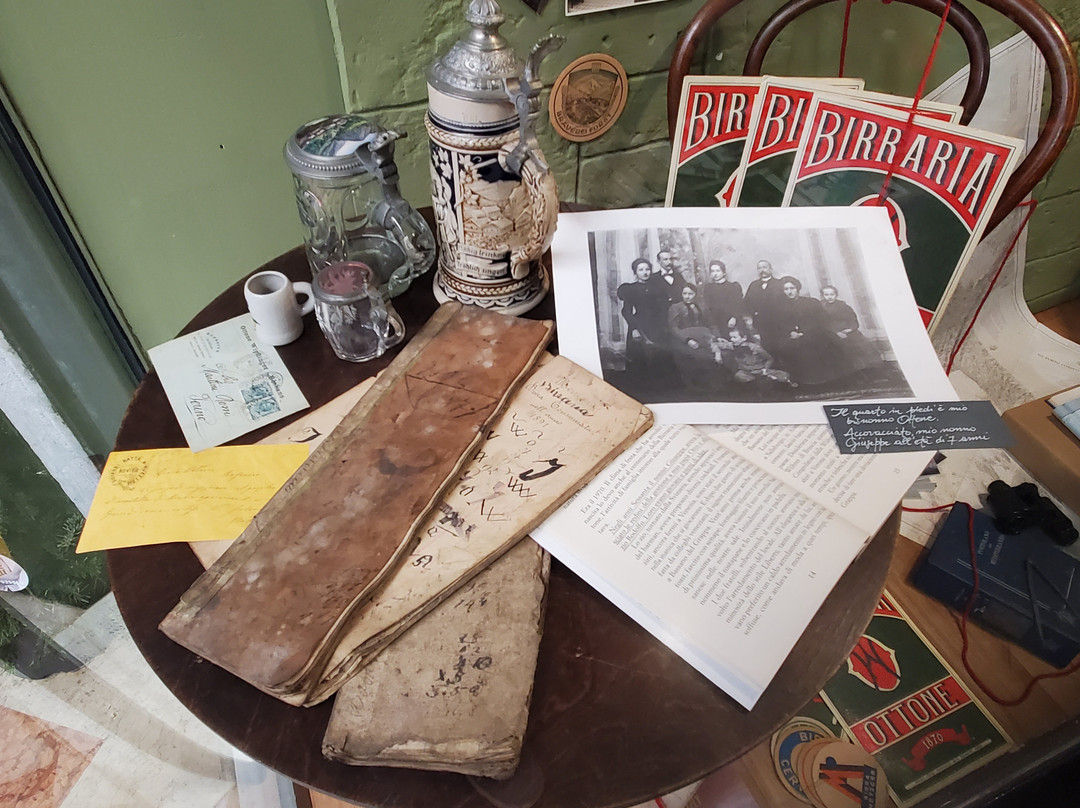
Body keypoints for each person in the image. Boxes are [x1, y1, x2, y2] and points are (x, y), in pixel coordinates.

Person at [771, 276, 844, 385]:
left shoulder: (811, 303)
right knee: (787, 348)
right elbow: (780, 324)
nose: (790, 292)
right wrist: (790, 332)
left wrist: (804, 333)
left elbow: (821, 320)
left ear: (797, 288)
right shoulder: (780, 307)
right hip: (793, 336)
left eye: (792, 288)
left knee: (815, 347)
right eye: (786, 289)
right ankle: (803, 381)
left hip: (814, 333)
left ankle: (824, 380)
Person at [820, 285, 882, 374]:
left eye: (832, 294)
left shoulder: (844, 306)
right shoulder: (821, 308)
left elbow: (853, 320)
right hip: (832, 333)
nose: (829, 297)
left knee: (863, 348)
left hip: (848, 331)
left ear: (836, 295)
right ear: (823, 296)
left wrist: (849, 329)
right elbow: (824, 323)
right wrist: (836, 332)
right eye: (826, 295)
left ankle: (869, 370)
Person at [725, 326, 796, 386]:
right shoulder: (732, 346)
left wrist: (765, 369)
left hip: (761, 371)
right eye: (730, 337)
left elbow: (770, 359)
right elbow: (718, 344)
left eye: (734, 337)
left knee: (784, 376)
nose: (732, 340)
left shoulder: (755, 348)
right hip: (746, 372)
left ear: (744, 338)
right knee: (739, 376)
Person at [742, 259, 786, 350]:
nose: (762, 270)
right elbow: (746, 303)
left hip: (778, 323)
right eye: (759, 268)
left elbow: (786, 303)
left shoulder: (780, 283)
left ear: (771, 269)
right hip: (760, 324)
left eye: (764, 267)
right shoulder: (753, 285)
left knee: (781, 348)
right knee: (766, 348)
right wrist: (753, 314)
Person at [700, 259, 743, 332]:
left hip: (732, 321)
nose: (715, 274)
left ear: (724, 273)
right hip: (715, 322)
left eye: (718, 271)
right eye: (713, 271)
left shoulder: (733, 287)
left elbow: (739, 304)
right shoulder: (708, 288)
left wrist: (734, 317)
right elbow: (708, 306)